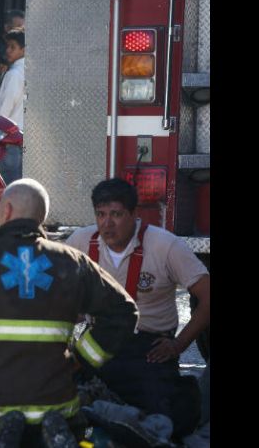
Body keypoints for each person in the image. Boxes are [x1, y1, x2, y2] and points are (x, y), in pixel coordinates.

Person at [0, 178, 139, 447]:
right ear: (41, 217)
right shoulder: (71, 261)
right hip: (53, 401)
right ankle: (50, 435)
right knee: (67, 427)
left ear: (5, 211)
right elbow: (124, 312)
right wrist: (82, 359)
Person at [65, 178, 210, 438]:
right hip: (98, 340)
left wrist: (178, 345)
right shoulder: (80, 242)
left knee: (162, 422)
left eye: (116, 214)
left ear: (135, 215)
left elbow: (207, 296)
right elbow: (56, 296)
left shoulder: (166, 246)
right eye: (101, 214)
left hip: (150, 348)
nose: (107, 224)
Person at [0, 28, 26, 184]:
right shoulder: (32, 72)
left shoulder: (14, 74)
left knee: (6, 186)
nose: (8, 50)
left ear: (24, 50)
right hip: (22, 138)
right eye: (8, 46)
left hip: (7, 138)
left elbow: (5, 107)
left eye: (13, 47)